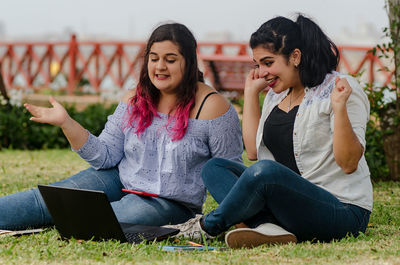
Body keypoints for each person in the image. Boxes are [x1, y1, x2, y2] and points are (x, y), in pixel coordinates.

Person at [0, 23, 243, 230]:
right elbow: (104, 156)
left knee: (91, 222)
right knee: (53, 200)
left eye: (170, 60)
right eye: (154, 58)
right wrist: (66, 122)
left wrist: (236, 223)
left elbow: (228, 173)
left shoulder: (213, 107)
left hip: (171, 203)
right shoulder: (134, 98)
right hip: (119, 179)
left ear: (189, 63)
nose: (160, 67)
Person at [166, 15, 373, 249]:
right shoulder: (276, 95)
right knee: (215, 167)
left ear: (295, 56)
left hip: (340, 210)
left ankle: (206, 227)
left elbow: (348, 163)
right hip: (289, 207)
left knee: (266, 172)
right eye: (257, 65)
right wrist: (251, 93)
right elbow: (253, 151)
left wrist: (339, 107)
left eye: (268, 62)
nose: (262, 72)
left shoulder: (339, 89)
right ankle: (268, 228)